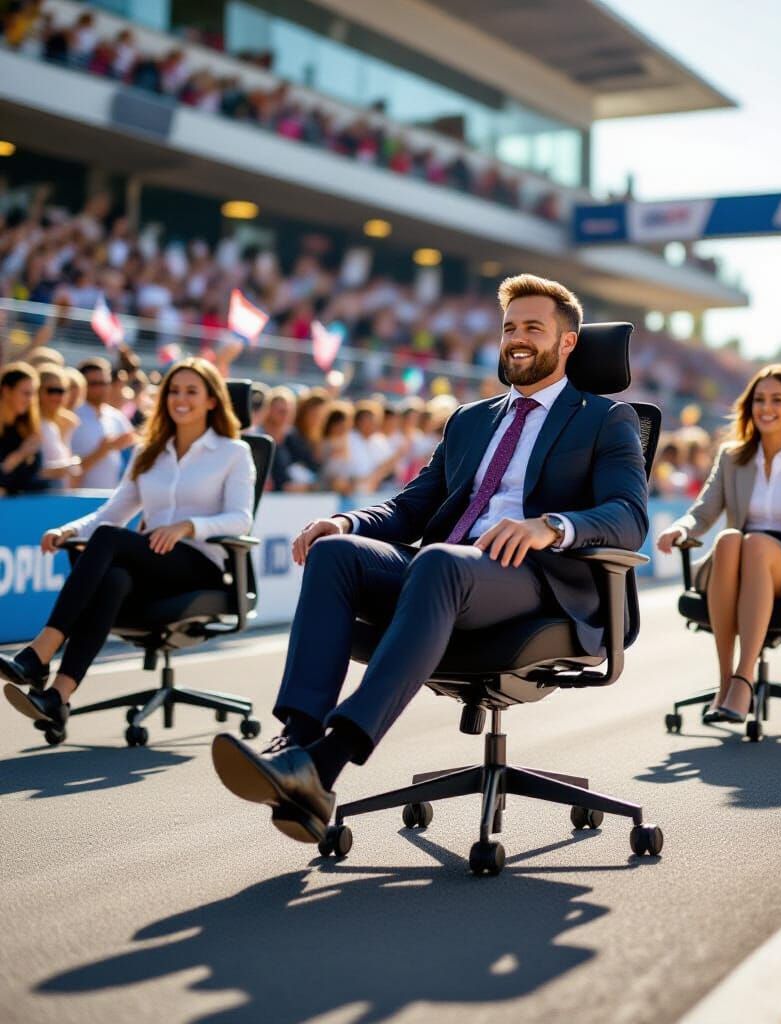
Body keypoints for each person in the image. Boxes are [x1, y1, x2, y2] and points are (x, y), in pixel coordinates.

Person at [210, 273, 649, 844]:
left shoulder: (604, 418)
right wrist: (345, 521)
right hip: (444, 572)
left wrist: (551, 527)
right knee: (337, 554)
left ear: (568, 343)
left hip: (535, 582)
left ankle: (327, 763)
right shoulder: (470, 420)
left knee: (439, 562)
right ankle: (295, 744)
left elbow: (628, 516)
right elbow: (411, 506)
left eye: (533, 328)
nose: (517, 338)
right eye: (509, 327)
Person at [1, 358, 256, 738]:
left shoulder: (233, 452)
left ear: (212, 401)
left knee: (108, 540)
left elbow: (241, 519)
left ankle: (42, 650)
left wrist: (188, 527)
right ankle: (59, 695)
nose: (179, 399)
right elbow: (114, 511)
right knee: (114, 578)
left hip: (199, 564)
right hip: (151, 563)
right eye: (173, 390)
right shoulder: (148, 451)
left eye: (191, 391)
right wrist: (67, 530)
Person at [656, 365, 781, 723]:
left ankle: (744, 677)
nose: (766, 407)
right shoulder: (732, 457)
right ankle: (726, 684)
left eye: (777, 400)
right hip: (734, 559)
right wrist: (679, 527)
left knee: (754, 544)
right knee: (731, 538)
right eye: (759, 400)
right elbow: (701, 512)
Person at [70, 356, 137, 489]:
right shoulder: (72, 417)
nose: (102, 388)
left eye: (105, 383)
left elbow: (135, 447)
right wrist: (102, 451)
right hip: (76, 500)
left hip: (110, 498)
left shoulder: (117, 416)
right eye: (95, 384)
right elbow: (67, 471)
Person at [0, 362, 47, 496]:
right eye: (26, 393)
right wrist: (20, 455)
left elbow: (31, 479)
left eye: (33, 394)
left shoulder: (28, 429)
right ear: (7, 391)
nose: (30, 400)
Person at [37, 364, 81, 488]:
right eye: (52, 391)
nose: (58, 396)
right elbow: (25, 472)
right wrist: (64, 468)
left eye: (62, 391)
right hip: (35, 501)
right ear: (37, 391)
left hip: (56, 501)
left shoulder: (53, 426)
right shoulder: (31, 425)